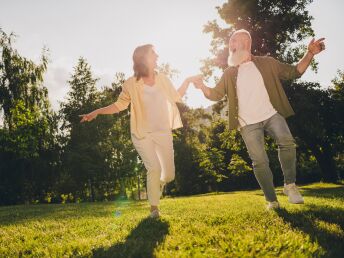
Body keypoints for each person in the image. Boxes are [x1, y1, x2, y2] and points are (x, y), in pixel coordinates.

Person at [193, 29, 325, 210]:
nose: (230, 45)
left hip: (272, 113)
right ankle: (272, 200)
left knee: (287, 141)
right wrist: (202, 87)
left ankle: (290, 186)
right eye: (230, 43)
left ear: (246, 43)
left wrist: (310, 53)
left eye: (234, 41)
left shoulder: (267, 63)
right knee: (259, 161)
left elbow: (295, 72)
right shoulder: (229, 73)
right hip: (247, 123)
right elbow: (215, 94)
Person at [80, 44, 200, 218]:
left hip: (162, 132)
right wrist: (97, 112)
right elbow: (119, 105)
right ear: (143, 58)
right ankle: (154, 209)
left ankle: (157, 182)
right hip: (141, 133)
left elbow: (176, 96)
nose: (157, 56)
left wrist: (188, 80)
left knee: (169, 175)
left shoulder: (163, 79)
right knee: (153, 168)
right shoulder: (131, 83)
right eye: (153, 53)